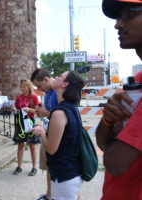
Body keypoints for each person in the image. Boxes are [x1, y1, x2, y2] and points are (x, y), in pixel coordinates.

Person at [96, 0, 142, 199]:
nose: (118, 24)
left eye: (129, 15)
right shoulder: (138, 80)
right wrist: (108, 119)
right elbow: (103, 143)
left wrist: (115, 138)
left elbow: (115, 163)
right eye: (118, 17)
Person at [33, 71, 85, 200]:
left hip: (64, 177)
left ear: (65, 84)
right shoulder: (71, 108)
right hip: (70, 174)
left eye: (60, 76)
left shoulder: (59, 112)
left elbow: (51, 149)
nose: (56, 77)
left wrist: (42, 133)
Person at [30, 68, 57, 200]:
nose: (40, 89)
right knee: (49, 165)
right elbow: (49, 112)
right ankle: (49, 195)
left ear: (46, 79)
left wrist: (45, 113)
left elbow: (63, 115)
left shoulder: (59, 91)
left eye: (40, 86)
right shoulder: (48, 93)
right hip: (49, 130)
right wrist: (40, 109)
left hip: (58, 134)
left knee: (66, 176)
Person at [12, 79, 41, 176]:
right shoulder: (19, 97)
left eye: (24, 86)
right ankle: (19, 166)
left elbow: (37, 112)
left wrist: (29, 109)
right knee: (20, 145)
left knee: (32, 145)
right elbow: (16, 108)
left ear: (28, 87)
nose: (22, 88)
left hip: (29, 123)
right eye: (21, 86)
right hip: (20, 123)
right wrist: (13, 108)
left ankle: (34, 168)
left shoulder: (34, 97)